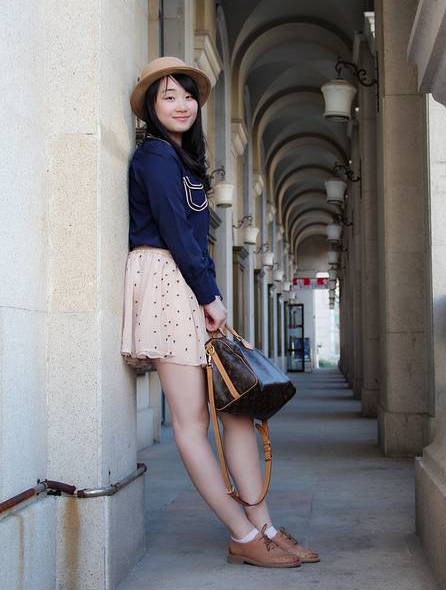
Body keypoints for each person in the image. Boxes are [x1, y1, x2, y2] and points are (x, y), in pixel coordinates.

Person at [120, 56, 319, 568]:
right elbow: (176, 234)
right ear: (150, 106)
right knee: (191, 422)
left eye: (188, 95)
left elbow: (195, 241)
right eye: (169, 96)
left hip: (190, 287)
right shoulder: (155, 157)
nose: (182, 104)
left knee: (237, 409)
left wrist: (209, 296)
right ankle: (242, 534)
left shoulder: (182, 160)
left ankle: (265, 527)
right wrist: (210, 296)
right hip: (168, 283)